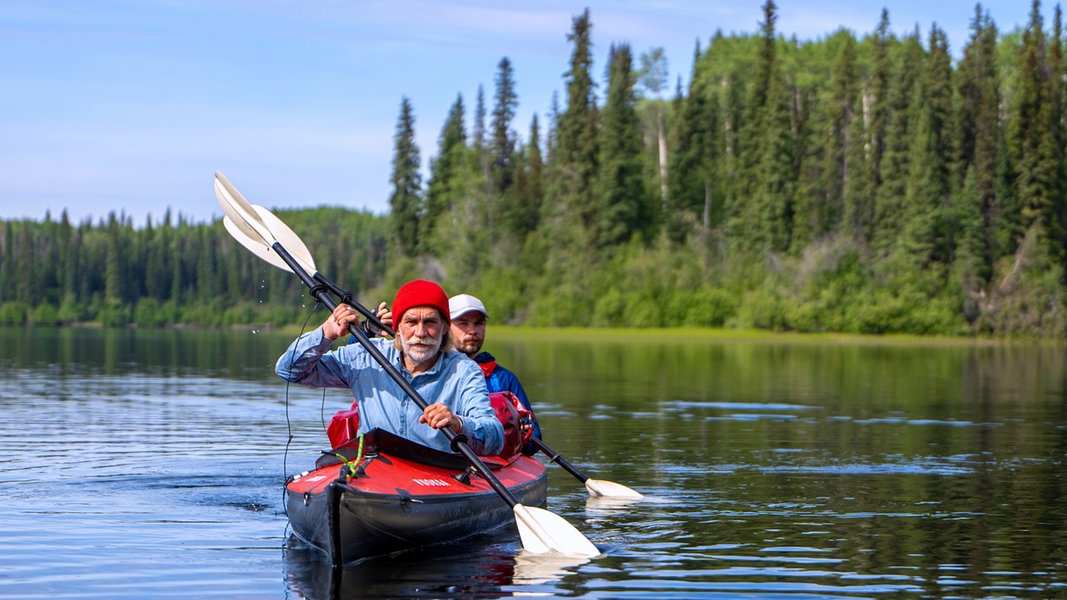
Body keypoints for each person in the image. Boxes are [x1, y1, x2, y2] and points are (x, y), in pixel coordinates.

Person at [275, 280, 504, 456]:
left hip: (436, 472)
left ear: (445, 328)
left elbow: (495, 436)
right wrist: (326, 334)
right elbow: (289, 370)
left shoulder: (464, 371)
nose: (420, 332)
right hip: (372, 471)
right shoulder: (366, 356)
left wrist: (458, 423)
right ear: (398, 327)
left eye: (431, 323)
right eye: (411, 322)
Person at [449, 294, 542, 456]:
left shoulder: (504, 378)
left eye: (479, 323)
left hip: (492, 462)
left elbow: (535, 439)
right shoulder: (432, 370)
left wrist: (518, 434)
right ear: (445, 327)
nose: (472, 331)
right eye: (463, 323)